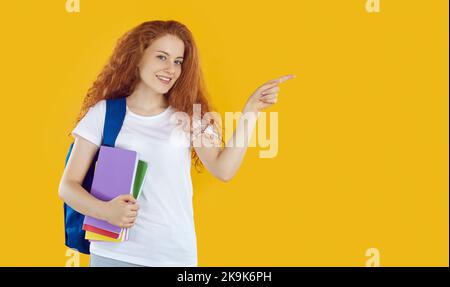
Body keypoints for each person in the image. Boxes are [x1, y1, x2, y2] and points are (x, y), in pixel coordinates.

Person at [58, 20, 295, 267]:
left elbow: (224, 170)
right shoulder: (105, 113)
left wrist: (251, 112)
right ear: (137, 58)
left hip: (173, 255)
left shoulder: (188, 116)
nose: (170, 68)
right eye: (161, 57)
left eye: (178, 61)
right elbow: (67, 186)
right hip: (113, 254)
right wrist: (105, 211)